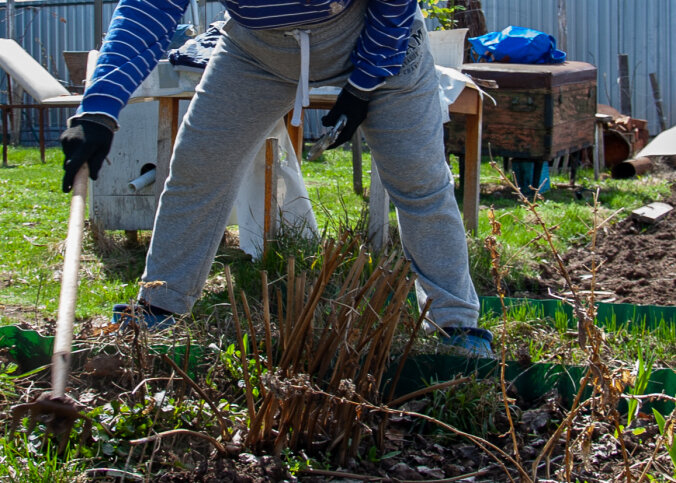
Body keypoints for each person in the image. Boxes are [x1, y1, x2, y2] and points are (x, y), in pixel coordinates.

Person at [60, 0, 493, 357]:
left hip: (380, 38)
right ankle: (159, 306)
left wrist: (364, 82)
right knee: (199, 168)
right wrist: (99, 109)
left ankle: (455, 324)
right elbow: (147, 10)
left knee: (419, 182)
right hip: (257, 51)